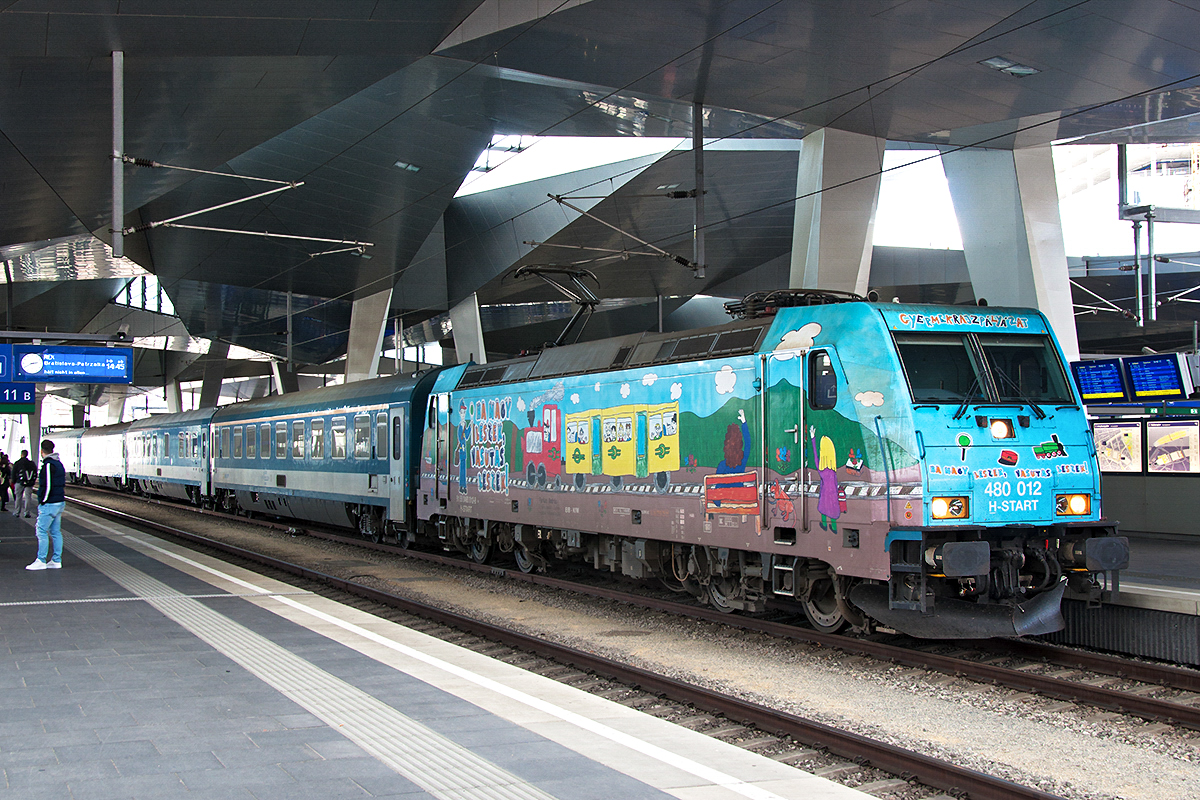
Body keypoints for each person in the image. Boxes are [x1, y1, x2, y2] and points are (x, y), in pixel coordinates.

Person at [26, 439, 65, 570]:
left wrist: (43, 500)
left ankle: (41, 560)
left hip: (50, 503)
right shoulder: (58, 463)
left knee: (41, 530)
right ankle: (56, 560)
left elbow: (47, 485)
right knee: (55, 532)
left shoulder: (48, 465)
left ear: (41, 451)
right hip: (59, 502)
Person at [11, 449, 35, 518]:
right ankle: (27, 512)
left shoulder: (17, 463)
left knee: (18, 497)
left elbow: (13, 473)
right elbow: (35, 472)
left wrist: (14, 481)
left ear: (21, 454)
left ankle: (17, 512)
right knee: (28, 497)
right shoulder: (31, 463)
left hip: (19, 482)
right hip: (29, 483)